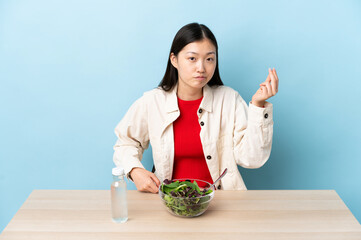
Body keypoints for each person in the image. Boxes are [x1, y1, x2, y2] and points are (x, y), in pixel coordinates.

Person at [113, 22, 279, 193]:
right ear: (174, 60)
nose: (201, 68)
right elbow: (125, 143)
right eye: (192, 58)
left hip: (220, 202)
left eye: (209, 59)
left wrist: (258, 107)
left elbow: (252, 159)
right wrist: (134, 170)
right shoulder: (152, 101)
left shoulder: (229, 99)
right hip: (169, 203)